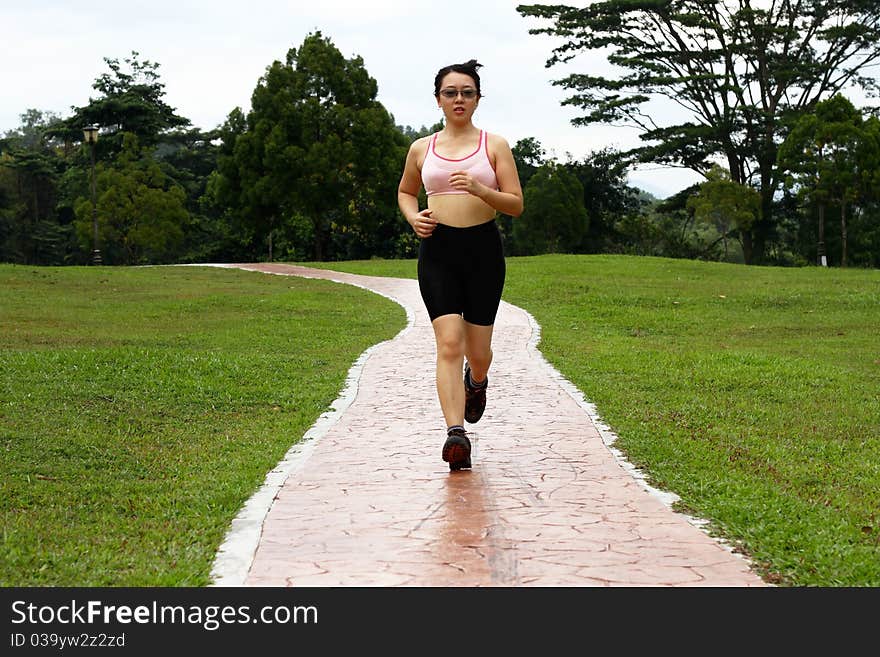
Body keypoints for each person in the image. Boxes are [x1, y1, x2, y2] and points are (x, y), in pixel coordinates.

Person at [397, 59, 524, 471]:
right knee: (449, 343)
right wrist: (413, 216)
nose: (459, 99)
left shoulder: (494, 145)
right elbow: (405, 192)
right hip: (438, 252)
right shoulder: (422, 148)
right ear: (438, 99)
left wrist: (481, 188)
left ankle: (478, 380)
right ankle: (456, 434)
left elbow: (516, 204)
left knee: (478, 351)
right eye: (450, 92)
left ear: (477, 99)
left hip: (483, 252)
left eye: (467, 92)